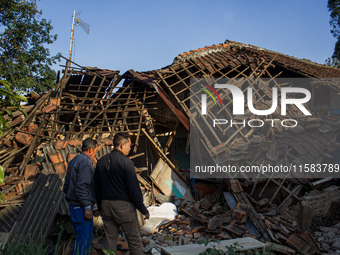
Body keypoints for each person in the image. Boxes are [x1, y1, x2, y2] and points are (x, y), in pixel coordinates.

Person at [94, 133, 149, 255]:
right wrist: (142, 208)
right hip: (123, 206)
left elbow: (96, 187)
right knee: (134, 241)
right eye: (129, 145)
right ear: (122, 145)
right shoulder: (126, 162)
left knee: (110, 241)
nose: (131, 148)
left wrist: (100, 206)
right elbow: (134, 188)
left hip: (106, 206)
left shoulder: (101, 161)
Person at [63, 138, 98, 255]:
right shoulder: (85, 163)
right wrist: (87, 206)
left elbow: (66, 185)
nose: (95, 153)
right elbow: (81, 186)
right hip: (82, 207)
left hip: (75, 206)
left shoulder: (74, 160)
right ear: (91, 149)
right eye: (96, 150)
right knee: (84, 240)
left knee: (80, 238)